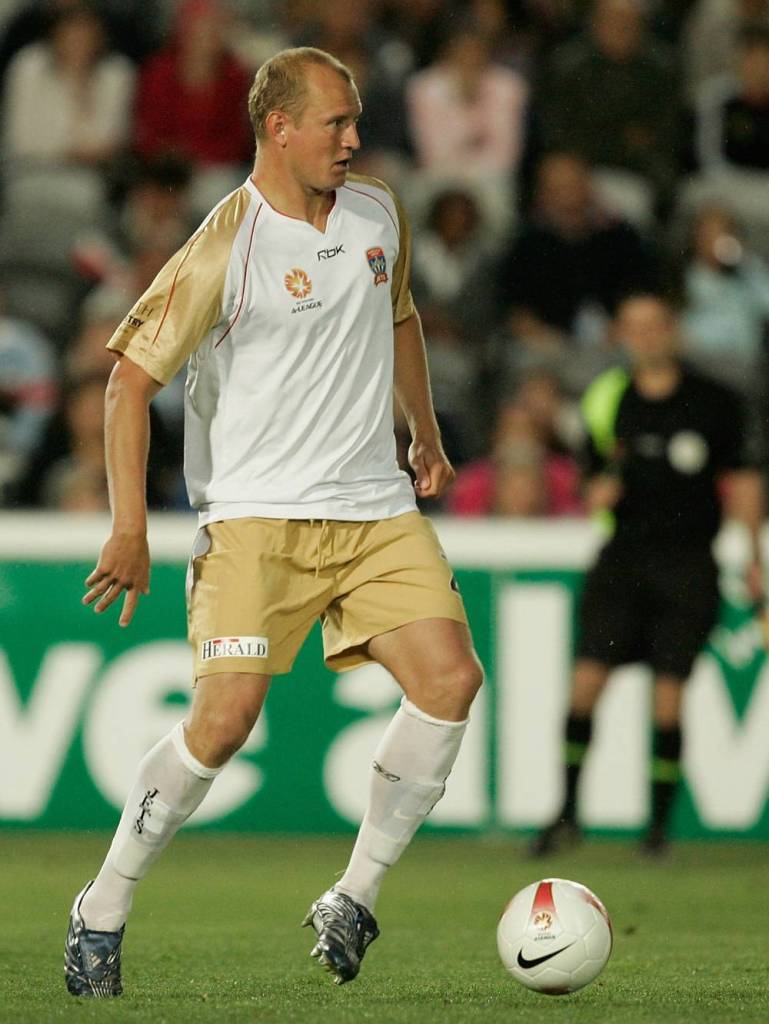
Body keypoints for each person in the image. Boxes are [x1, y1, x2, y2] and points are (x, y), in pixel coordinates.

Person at [63, 46, 483, 998]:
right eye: (336, 122)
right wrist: (129, 528)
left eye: (356, 119)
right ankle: (103, 905)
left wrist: (421, 430)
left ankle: (355, 896)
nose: (354, 138)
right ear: (278, 128)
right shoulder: (226, 244)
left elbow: (399, 313)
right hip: (254, 518)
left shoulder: (376, 209)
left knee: (451, 679)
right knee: (222, 725)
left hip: (372, 508)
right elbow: (127, 383)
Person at [529, 293, 765, 858]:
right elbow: (590, 483)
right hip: (623, 559)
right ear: (621, 335)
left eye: (655, 325)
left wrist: (753, 557)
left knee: (669, 693)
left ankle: (657, 828)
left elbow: (744, 481)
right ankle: (567, 813)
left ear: (672, 330)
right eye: (633, 326)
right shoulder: (606, 398)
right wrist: (600, 491)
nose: (646, 336)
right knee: (586, 683)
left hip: (688, 562)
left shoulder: (715, 403)